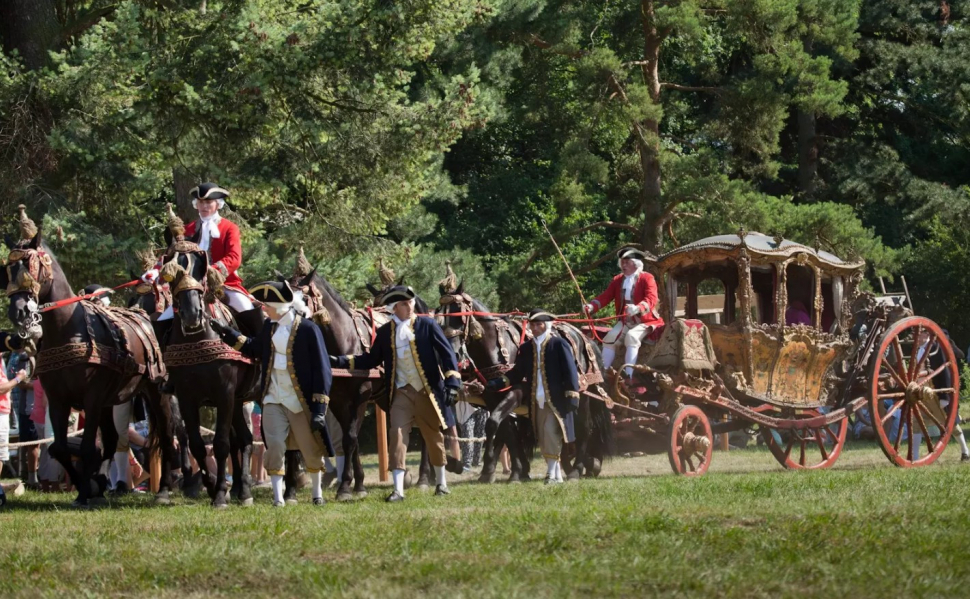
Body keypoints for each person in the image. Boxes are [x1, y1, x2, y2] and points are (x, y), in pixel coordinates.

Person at [331, 285, 461, 502]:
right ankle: (398, 490)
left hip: (427, 391)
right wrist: (342, 360)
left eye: (410, 302)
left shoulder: (427, 325)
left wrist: (453, 383)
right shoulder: (384, 333)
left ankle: (441, 483)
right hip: (401, 393)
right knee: (397, 437)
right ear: (393, 308)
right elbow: (370, 360)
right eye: (403, 304)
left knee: (433, 436)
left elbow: (447, 354)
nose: (409, 307)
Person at [210, 280, 333, 507]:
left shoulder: (308, 329)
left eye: (267, 305)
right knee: (274, 445)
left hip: (300, 400)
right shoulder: (269, 328)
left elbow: (322, 369)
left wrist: (319, 408)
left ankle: (317, 494)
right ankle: (278, 498)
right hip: (273, 397)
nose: (264, 309)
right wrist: (227, 333)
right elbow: (253, 348)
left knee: (310, 447)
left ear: (278, 306)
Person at [486, 309, 581, 484]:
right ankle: (557, 475)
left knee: (551, 433)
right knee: (543, 437)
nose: (535, 328)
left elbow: (570, 371)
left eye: (539, 324)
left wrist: (573, 396)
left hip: (556, 400)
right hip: (536, 401)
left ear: (547, 325)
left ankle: (551, 474)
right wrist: (499, 383)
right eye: (533, 324)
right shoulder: (526, 348)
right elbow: (516, 373)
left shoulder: (558, 344)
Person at [142, 183, 255, 316]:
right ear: (196, 204)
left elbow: (234, 258)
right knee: (163, 320)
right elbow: (173, 256)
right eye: (201, 202)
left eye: (208, 202)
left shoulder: (230, 228)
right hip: (189, 287)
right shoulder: (187, 229)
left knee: (247, 308)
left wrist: (212, 271)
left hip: (223, 285)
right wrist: (156, 270)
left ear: (218, 204)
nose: (204, 206)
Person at [584, 247, 664, 378]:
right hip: (625, 321)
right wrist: (592, 306)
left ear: (635, 263)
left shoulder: (647, 278)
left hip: (646, 321)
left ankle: (629, 375)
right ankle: (602, 374)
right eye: (622, 262)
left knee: (632, 337)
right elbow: (605, 296)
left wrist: (638, 308)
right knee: (609, 339)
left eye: (627, 261)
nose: (623, 265)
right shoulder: (618, 280)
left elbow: (651, 299)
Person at [7, 350, 38, 489]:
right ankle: (30, 478)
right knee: (30, 443)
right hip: (25, 407)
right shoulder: (20, 355)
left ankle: (34, 478)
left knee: (34, 443)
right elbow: (21, 382)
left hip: (35, 407)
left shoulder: (32, 354)